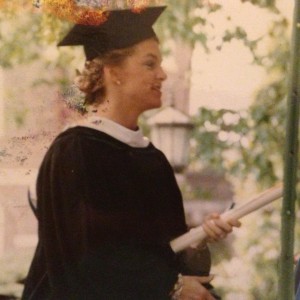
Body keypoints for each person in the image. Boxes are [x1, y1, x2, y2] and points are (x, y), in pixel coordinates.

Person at [22, 6, 240, 300]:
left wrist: (197, 240)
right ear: (114, 73)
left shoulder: (152, 159)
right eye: (150, 64)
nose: (163, 74)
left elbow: (166, 256)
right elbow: (82, 263)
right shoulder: (75, 152)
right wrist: (170, 286)